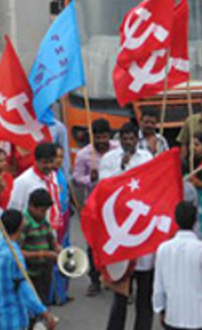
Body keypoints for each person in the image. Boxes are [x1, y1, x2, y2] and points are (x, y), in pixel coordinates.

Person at [101, 123, 155, 330]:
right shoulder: (109, 159)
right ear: (120, 139)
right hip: (120, 228)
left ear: (137, 139)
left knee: (144, 293)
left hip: (141, 229)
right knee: (121, 292)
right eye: (125, 138)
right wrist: (122, 168)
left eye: (132, 138)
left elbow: (150, 184)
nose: (128, 142)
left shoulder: (147, 158)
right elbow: (104, 186)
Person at [0, 209, 57, 330]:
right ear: (20, 227)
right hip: (13, 319)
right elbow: (24, 289)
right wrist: (44, 313)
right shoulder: (14, 256)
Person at [71, 119, 117, 296]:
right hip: (94, 204)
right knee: (94, 243)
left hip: (114, 204)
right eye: (97, 137)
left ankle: (115, 279)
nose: (101, 141)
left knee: (115, 242)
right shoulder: (84, 155)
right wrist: (89, 179)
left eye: (104, 137)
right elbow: (76, 177)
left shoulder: (117, 150)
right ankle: (95, 280)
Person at [152, 201, 202, 330]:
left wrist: (160, 309)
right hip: (199, 316)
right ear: (196, 221)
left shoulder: (163, 249)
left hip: (173, 315)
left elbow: (158, 285)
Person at [19, 189, 61, 305]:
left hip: (44, 270)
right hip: (30, 273)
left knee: (44, 301)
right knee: (33, 304)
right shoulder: (24, 224)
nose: (44, 214)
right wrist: (43, 254)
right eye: (42, 211)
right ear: (31, 206)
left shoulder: (43, 221)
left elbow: (52, 242)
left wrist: (61, 252)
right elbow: (16, 252)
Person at [8, 142, 58, 213]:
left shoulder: (53, 175)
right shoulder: (23, 181)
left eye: (51, 162)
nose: (49, 166)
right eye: (45, 163)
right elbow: (13, 210)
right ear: (36, 161)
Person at [49, 145, 71, 305]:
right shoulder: (47, 176)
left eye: (61, 157)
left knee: (65, 254)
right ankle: (53, 295)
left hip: (65, 217)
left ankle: (62, 293)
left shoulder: (61, 173)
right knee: (55, 255)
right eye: (56, 157)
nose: (59, 160)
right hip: (54, 220)